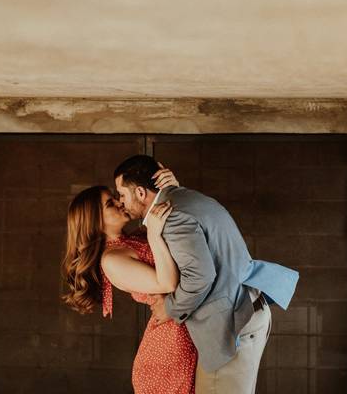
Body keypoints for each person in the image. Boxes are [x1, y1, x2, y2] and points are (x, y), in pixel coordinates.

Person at [114, 155, 299, 394]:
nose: (121, 202)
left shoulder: (174, 217)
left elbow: (199, 278)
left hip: (231, 323)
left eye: (122, 194)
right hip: (244, 308)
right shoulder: (189, 199)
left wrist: (169, 307)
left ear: (140, 192)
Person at [62, 170, 196, 394]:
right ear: (95, 221)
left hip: (184, 326)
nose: (119, 202)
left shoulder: (132, 238)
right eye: (110, 204)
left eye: (116, 196)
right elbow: (168, 284)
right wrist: (153, 234)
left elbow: (171, 222)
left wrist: (172, 188)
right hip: (168, 350)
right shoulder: (112, 260)